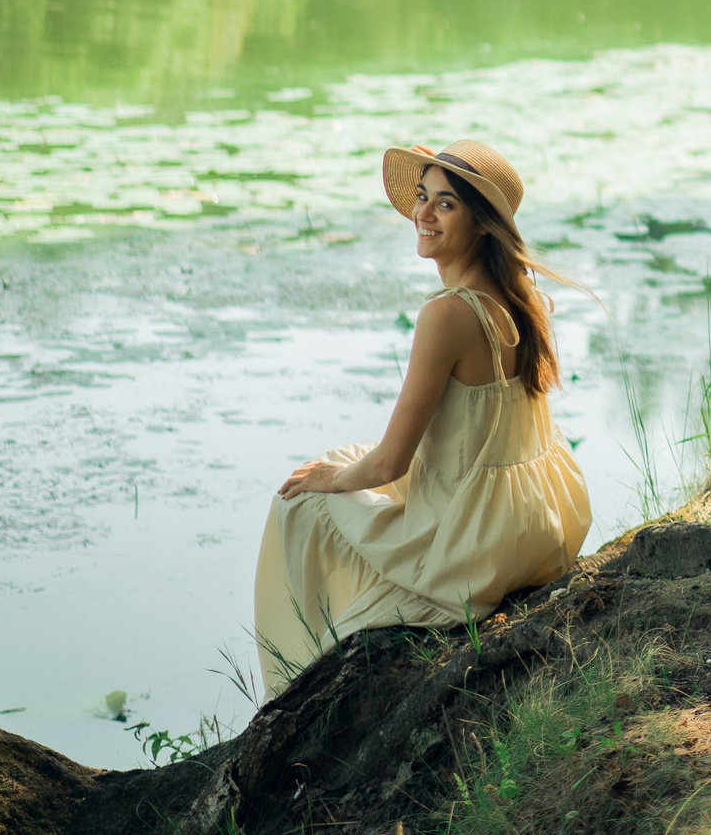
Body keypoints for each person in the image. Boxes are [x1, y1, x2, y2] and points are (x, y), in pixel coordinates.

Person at [253, 139, 592, 696]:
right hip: (541, 521)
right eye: (421, 197)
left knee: (304, 498)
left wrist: (329, 481)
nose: (423, 214)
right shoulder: (520, 296)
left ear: (482, 223)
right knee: (341, 466)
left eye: (446, 204)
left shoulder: (447, 315)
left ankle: (292, 682)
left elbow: (390, 462)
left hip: (477, 546)